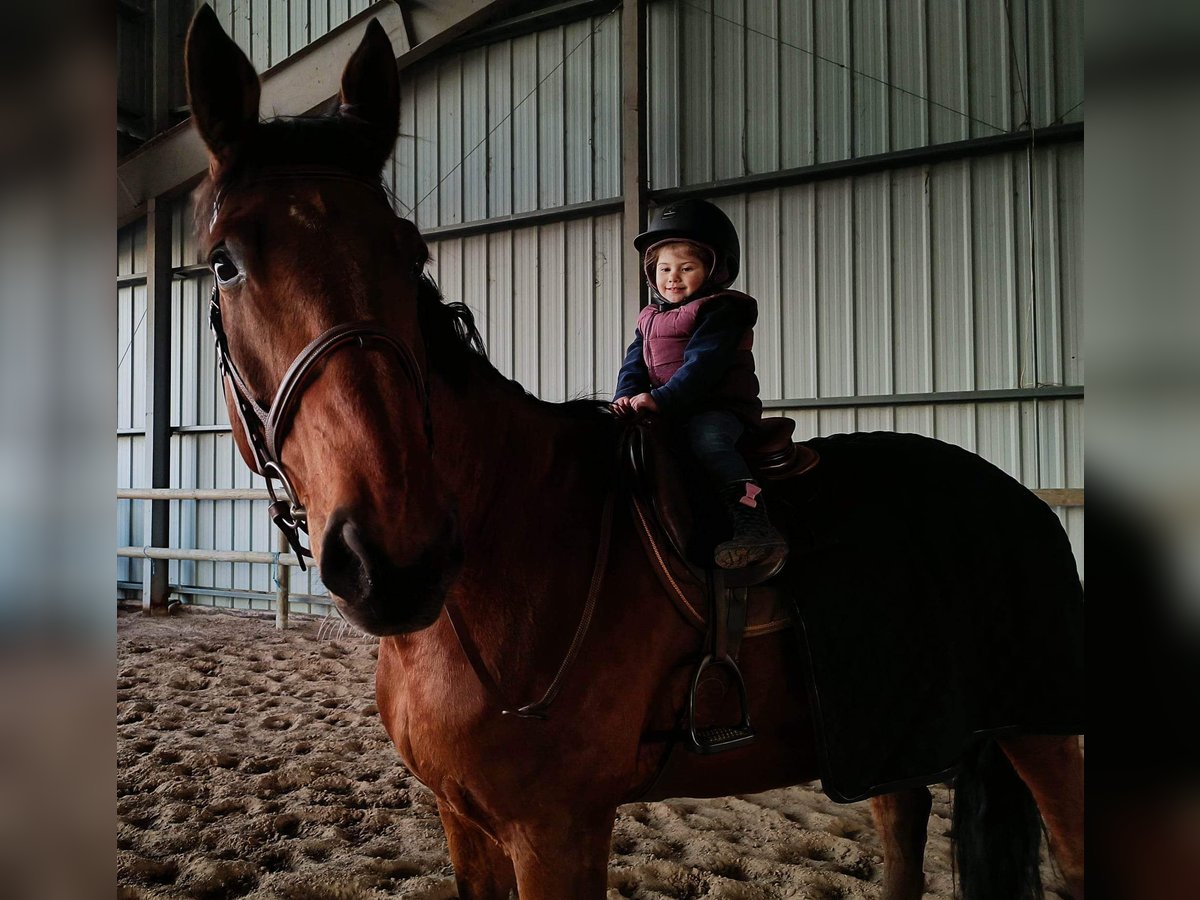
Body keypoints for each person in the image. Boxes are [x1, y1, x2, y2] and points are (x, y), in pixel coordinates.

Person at [612, 199, 787, 570]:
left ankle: (754, 521)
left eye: (686, 267)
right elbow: (634, 363)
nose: (672, 277)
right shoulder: (649, 318)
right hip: (665, 405)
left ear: (714, 270)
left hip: (717, 408)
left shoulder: (721, 310)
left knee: (709, 444)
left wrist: (662, 399)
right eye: (664, 268)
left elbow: (702, 366)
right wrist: (624, 397)